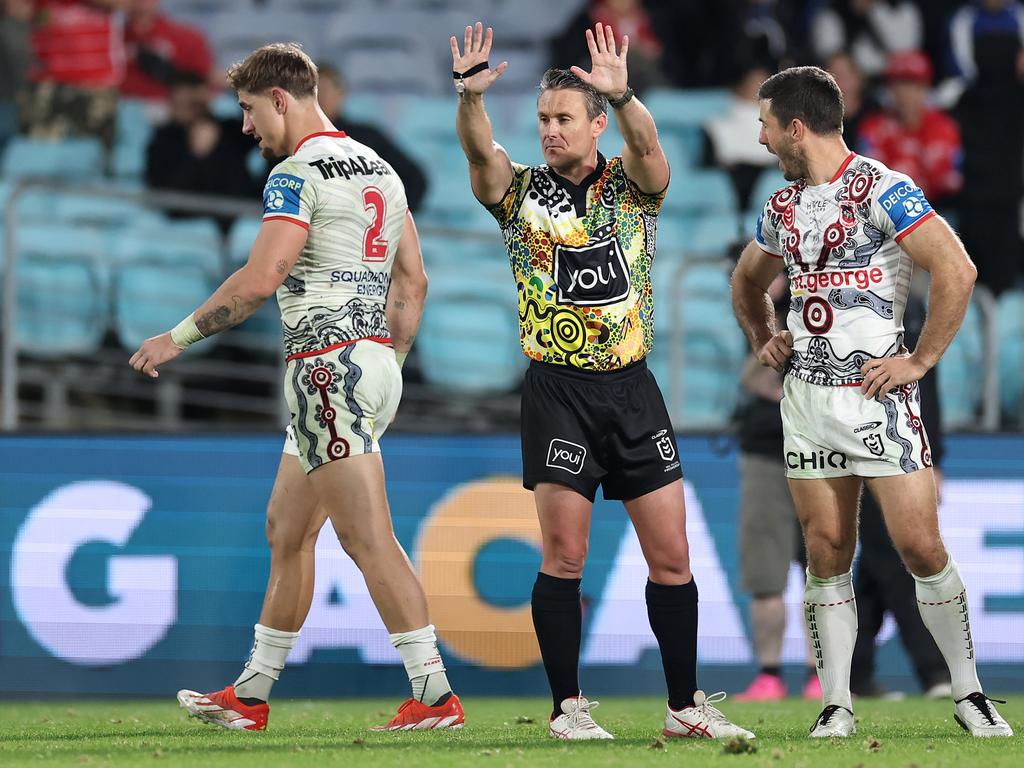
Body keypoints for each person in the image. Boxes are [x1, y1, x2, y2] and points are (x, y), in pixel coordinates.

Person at [129, 42, 464, 733]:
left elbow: (260, 279)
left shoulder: (295, 173)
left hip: (325, 368)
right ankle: (251, 695)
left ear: (281, 99)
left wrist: (176, 337)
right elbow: (414, 281)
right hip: (368, 363)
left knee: (368, 540)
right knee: (287, 531)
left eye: (250, 111)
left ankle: (435, 697)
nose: (246, 127)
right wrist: (389, 364)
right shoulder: (380, 168)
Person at [451, 21, 753, 741]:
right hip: (558, 392)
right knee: (566, 554)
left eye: (563, 119)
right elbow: (478, 155)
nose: (551, 131)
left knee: (673, 557)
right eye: (543, 120)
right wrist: (469, 101)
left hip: (633, 389)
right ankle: (568, 709)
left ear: (594, 125)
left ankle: (684, 706)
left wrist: (625, 98)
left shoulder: (632, 187)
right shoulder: (518, 195)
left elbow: (649, 149)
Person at [731, 64, 1012, 738]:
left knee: (919, 544)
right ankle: (837, 704)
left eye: (768, 125)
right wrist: (765, 335)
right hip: (806, 402)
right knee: (826, 548)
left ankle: (969, 693)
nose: (763, 139)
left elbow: (957, 269)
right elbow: (747, 280)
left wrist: (921, 358)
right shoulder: (782, 207)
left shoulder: (884, 189)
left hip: (878, 403)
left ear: (797, 127)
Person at [851, 294, 952, 700]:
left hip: (906, 450)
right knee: (894, 559)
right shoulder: (847, 303)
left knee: (878, 569)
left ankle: (853, 676)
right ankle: (934, 672)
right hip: (867, 447)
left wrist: (934, 459)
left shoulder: (910, 309)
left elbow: (930, 389)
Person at [733, 273, 820, 702]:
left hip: (820, 452)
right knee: (766, 574)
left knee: (823, 570)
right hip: (768, 451)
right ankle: (769, 674)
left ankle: (819, 673)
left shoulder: (828, 307)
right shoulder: (756, 316)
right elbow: (756, 379)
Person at [145, 71, 263, 233]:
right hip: (190, 226)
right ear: (172, 104)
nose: (193, 110)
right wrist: (196, 155)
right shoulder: (163, 140)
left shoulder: (227, 129)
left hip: (243, 219)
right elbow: (166, 198)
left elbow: (267, 128)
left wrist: (237, 89)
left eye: (198, 103)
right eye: (186, 103)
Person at [315, 62, 427, 212]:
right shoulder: (292, 141)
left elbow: (415, 179)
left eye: (324, 90)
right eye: (312, 92)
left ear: (341, 94)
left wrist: (387, 216)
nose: (318, 98)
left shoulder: (367, 137)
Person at [857, 51, 961, 207]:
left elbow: (950, 183)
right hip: (887, 211)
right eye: (899, 86)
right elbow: (869, 180)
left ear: (925, 88)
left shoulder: (944, 127)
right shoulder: (873, 127)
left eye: (913, 86)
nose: (905, 94)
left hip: (936, 209)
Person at [20, 0, 125, 148]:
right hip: (48, 84)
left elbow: (129, 4)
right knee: (38, 151)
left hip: (96, 84)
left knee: (95, 152)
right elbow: (18, 10)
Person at [121, 0, 213, 103]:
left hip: (171, 109)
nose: (139, 3)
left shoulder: (189, 37)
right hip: (124, 106)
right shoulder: (112, 41)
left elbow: (206, 84)